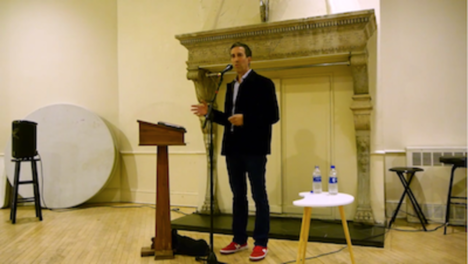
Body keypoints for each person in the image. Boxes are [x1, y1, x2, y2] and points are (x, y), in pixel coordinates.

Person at [191, 42, 279, 261]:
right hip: (233, 149)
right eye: (232, 56)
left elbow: (273, 115)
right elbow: (230, 119)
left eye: (240, 55)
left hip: (255, 149)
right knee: (238, 195)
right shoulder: (230, 85)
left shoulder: (263, 83)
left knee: (259, 195)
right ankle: (239, 239)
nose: (236, 59)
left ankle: (261, 242)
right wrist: (209, 113)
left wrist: (246, 119)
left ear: (249, 59)